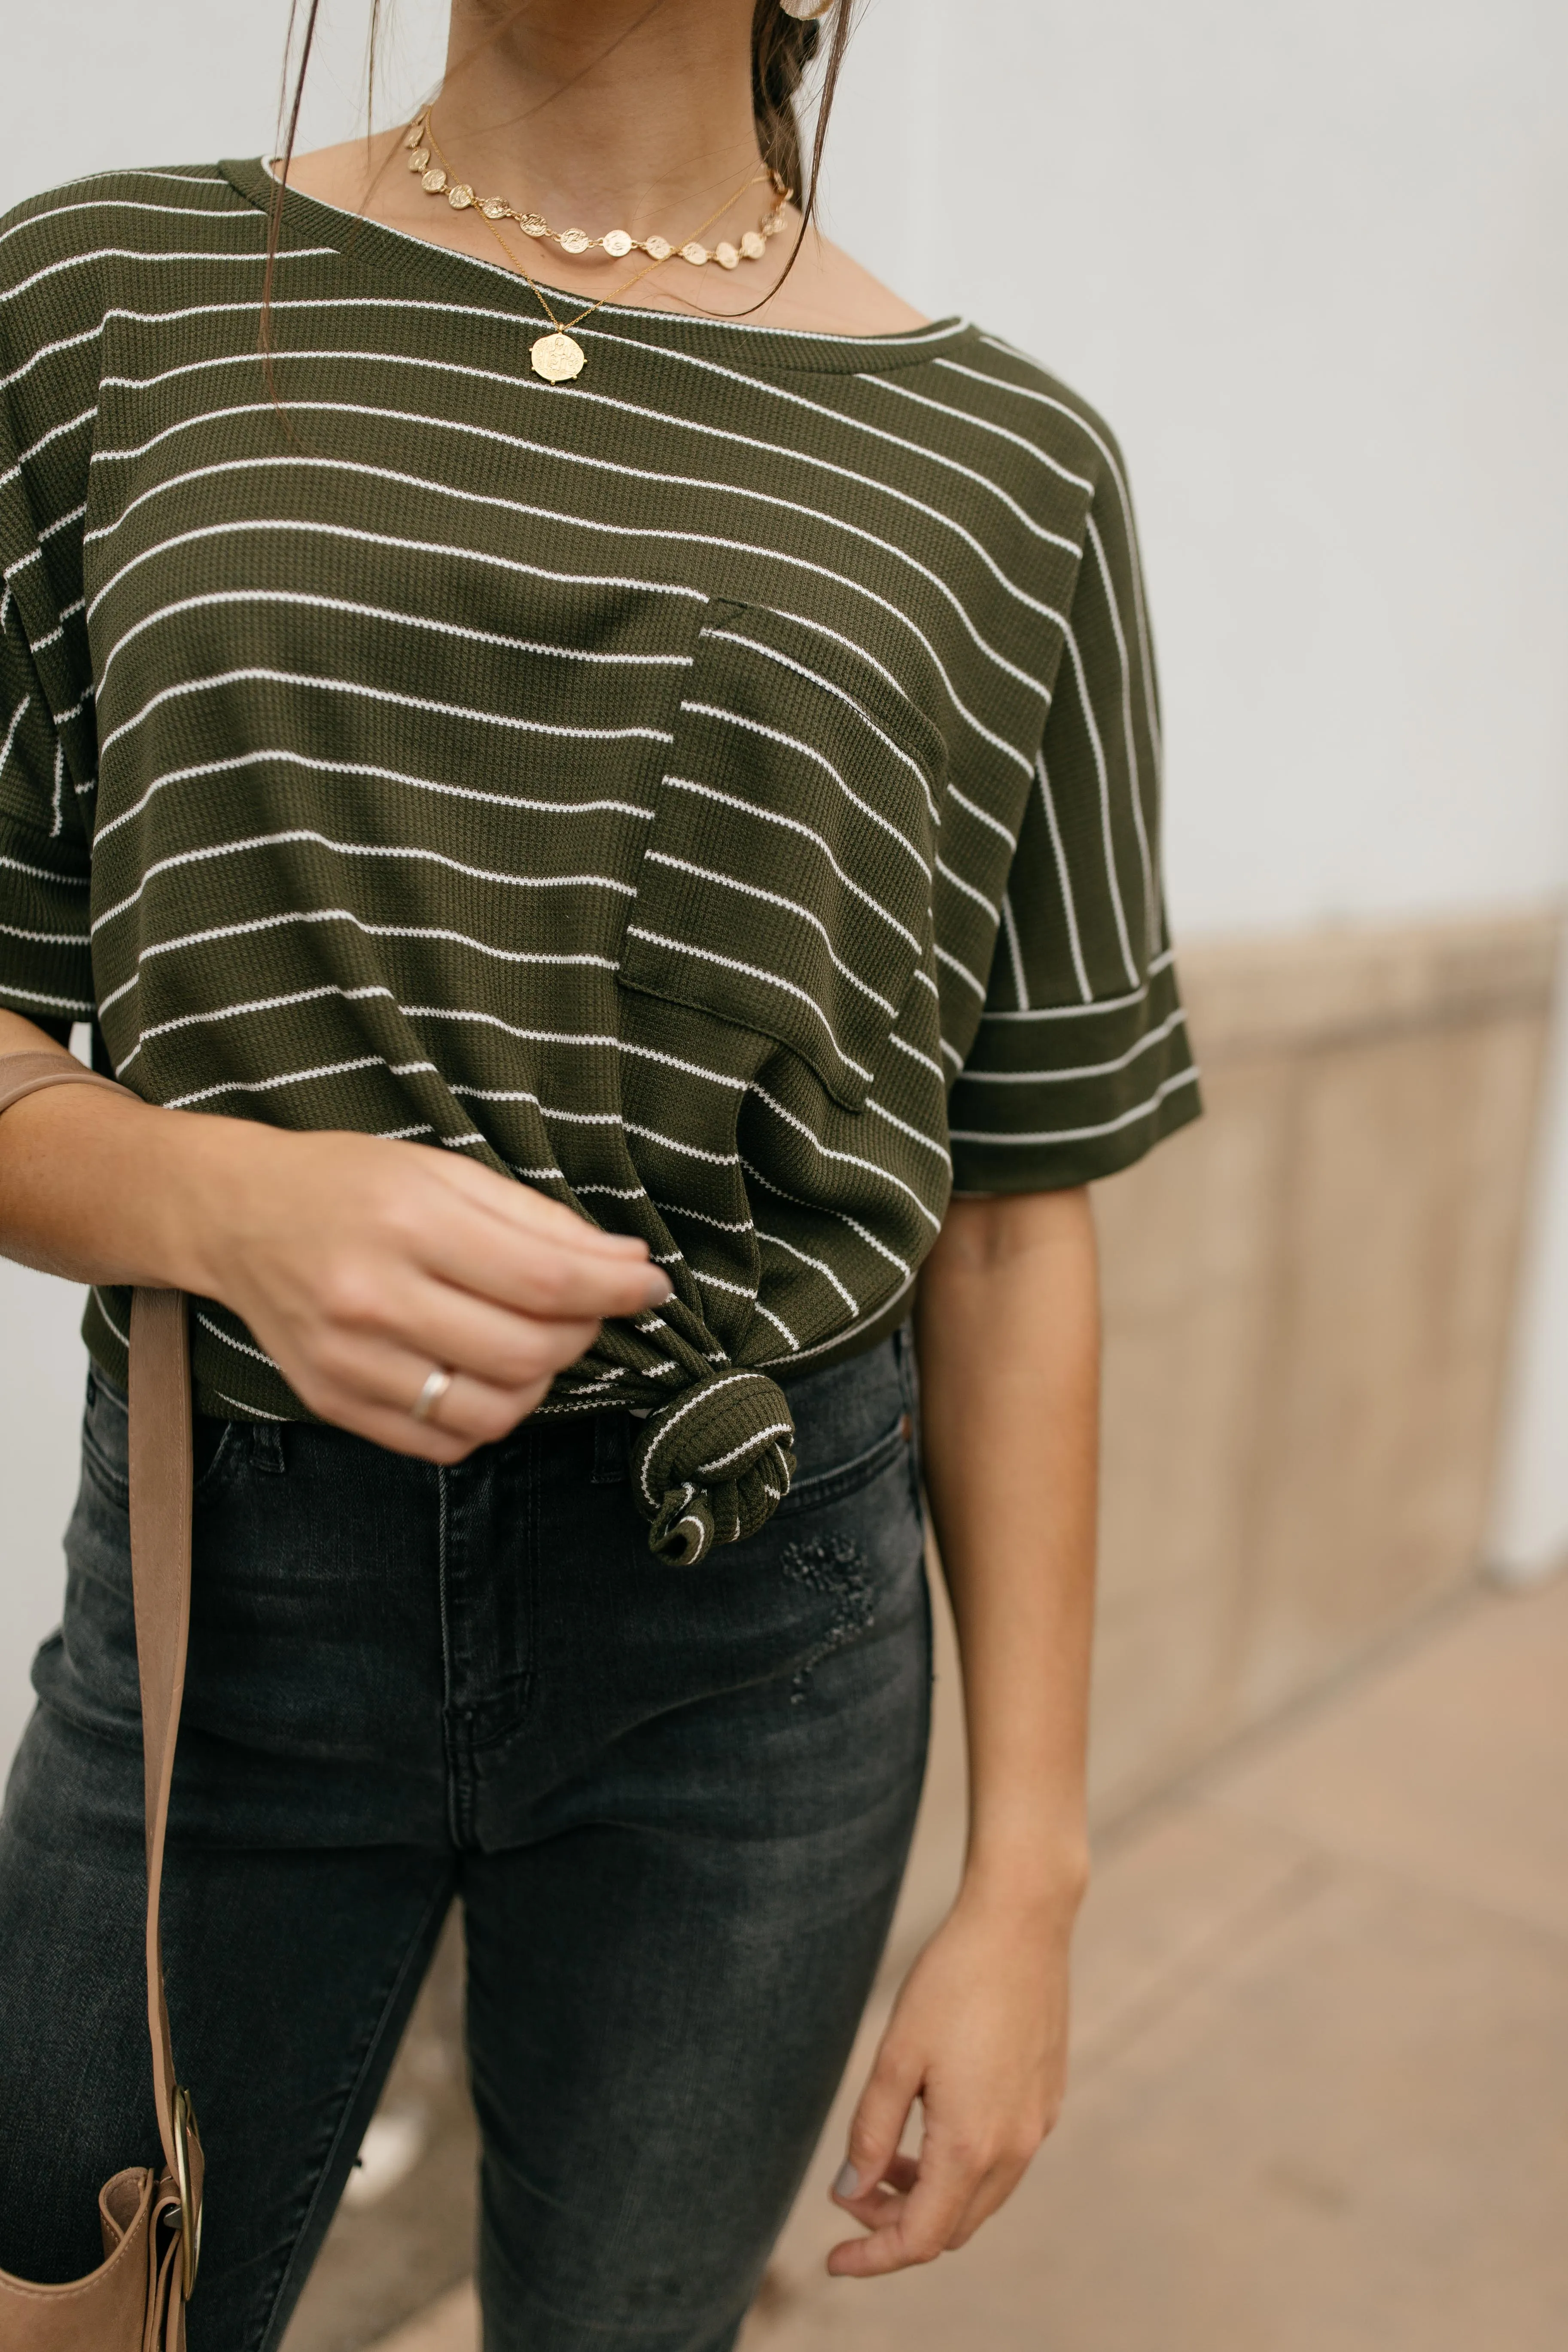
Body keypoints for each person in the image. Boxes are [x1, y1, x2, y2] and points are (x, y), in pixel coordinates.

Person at [0, 0, 1199, 2343]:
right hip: (228, 1585)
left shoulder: (1007, 471)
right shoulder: (105, 306)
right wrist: (218, 1205)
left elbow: (1012, 1205)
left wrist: (1027, 1879)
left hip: (765, 1638)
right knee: (78, 2306)